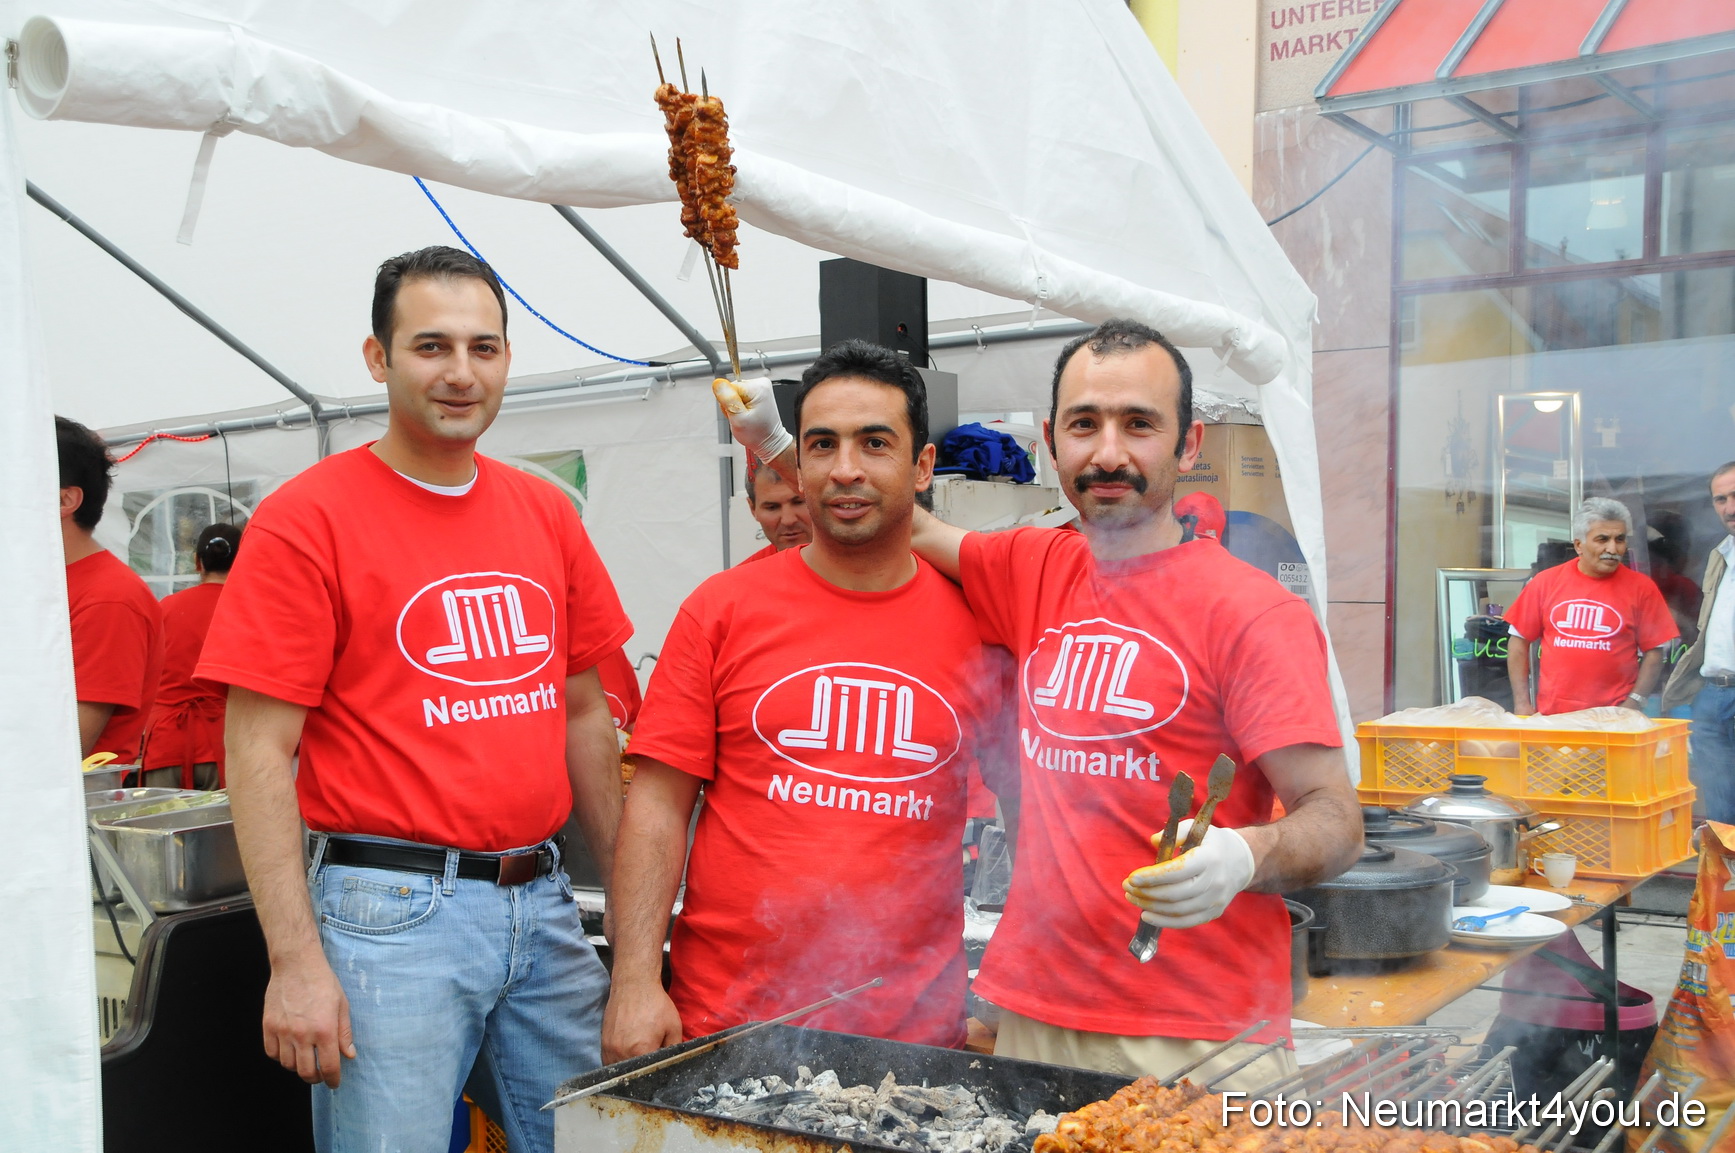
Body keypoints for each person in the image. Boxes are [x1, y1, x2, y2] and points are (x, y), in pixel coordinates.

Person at [722, 318, 1361, 1090]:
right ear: (1052, 443)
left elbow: (1335, 818)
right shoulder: (1034, 566)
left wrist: (1247, 854)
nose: (1108, 452)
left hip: (1195, 1034)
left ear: (1187, 445)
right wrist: (776, 443)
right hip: (1036, 1017)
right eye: (1083, 425)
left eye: (1138, 424)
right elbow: (899, 512)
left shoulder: (1251, 612)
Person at [195, 246, 629, 1153]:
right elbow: (257, 750)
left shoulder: (544, 512)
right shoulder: (307, 517)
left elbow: (586, 714)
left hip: (544, 902)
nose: (462, 373)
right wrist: (295, 962)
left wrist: (632, 923)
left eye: (485, 347)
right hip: (388, 912)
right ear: (377, 357)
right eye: (431, 346)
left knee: (601, 1139)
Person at [603, 340, 995, 1063]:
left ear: (922, 466)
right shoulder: (722, 609)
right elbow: (656, 803)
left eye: (874, 443)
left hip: (910, 1039)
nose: (845, 467)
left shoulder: (982, 621)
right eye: (823, 444)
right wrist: (633, 979)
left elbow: (1041, 818)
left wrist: (1007, 999)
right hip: (726, 1023)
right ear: (798, 462)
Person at [1506, 498, 1677, 717]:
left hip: (1615, 721)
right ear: (1579, 545)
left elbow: (1655, 651)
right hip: (1554, 718)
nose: (1613, 549)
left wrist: (1634, 703)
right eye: (1602, 539)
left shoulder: (1642, 588)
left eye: (1620, 539)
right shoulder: (1544, 582)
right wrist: (1522, 703)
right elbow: (1518, 643)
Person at [58, 415, 164, 764]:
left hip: (64, 809)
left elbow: (63, 749)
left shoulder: (110, 597)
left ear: (66, 500)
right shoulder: (45, 588)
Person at [140, 523, 242, 789]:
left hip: (166, 744)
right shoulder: (248, 610)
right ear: (242, 561)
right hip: (227, 744)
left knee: (162, 827)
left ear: (198, 562)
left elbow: (141, 678)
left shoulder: (164, 609)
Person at [1663, 462, 1735, 824]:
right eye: (1720, 499)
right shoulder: (1721, 555)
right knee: (1721, 815)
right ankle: (1727, 880)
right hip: (1712, 695)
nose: (1729, 508)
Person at [739, 454, 812, 562]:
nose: (788, 520)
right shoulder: (742, 578)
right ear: (753, 508)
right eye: (772, 507)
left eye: (799, 502)